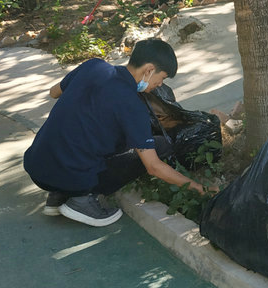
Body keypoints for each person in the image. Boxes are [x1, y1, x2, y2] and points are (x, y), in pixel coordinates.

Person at [23, 39, 212, 227]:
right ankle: (80, 199)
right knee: (161, 145)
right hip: (73, 176)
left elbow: (54, 92)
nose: (160, 85)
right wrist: (198, 188)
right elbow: (153, 167)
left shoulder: (93, 66)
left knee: (87, 134)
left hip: (36, 166)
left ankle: (58, 194)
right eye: (161, 78)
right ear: (149, 70)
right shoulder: (132, 105)